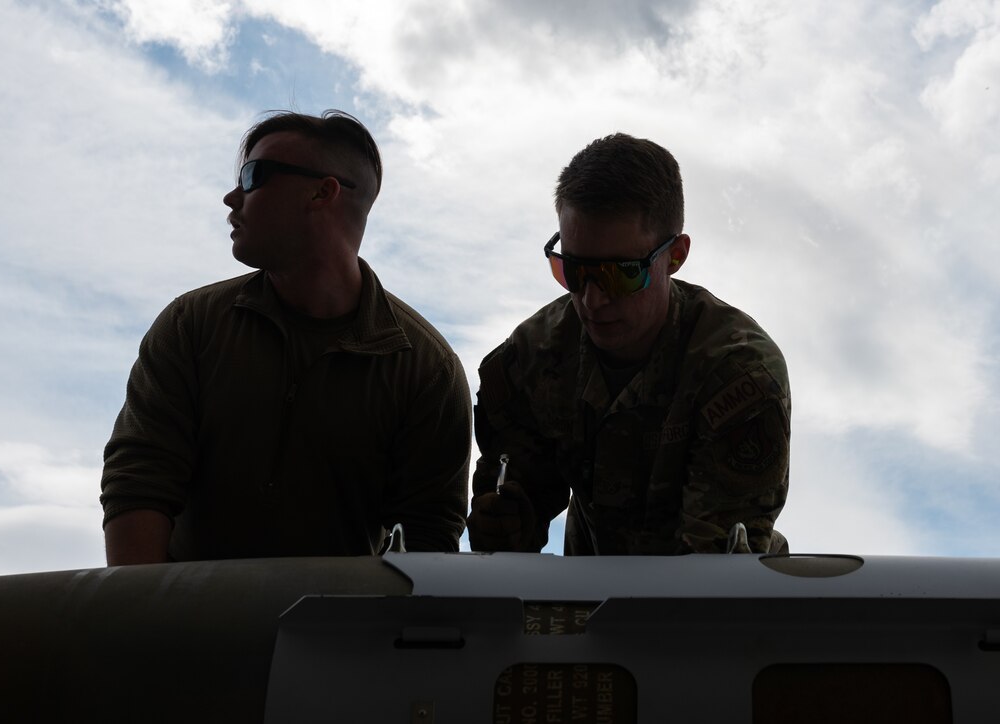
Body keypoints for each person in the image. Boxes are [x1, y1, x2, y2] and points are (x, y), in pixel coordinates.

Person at [100, 110, 471, 564]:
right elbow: (139, 478)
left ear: (322, 191)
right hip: (185, 629)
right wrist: (143, 627)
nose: (231, 197)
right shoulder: (190, 325)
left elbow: (428, 538)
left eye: (253, 176)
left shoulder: (426, 369)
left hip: (336, 633)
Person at [467, 134, 790, 555]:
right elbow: (509, 533)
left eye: (620, 274)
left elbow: (714, 574)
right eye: (574, 271)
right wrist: (504, 523)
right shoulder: (531, 359)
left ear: (675, 255)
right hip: (588, 601)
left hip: (711, 607)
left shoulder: (738, 376)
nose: (591, 299)